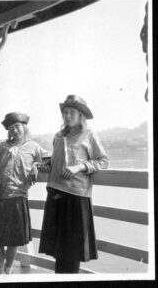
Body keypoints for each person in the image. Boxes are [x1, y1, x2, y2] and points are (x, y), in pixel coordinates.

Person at [37, 95, 109, 273]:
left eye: (71, 112)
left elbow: (103, 161)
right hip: (56, 195)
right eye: (65, 112)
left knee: (72, 252)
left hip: (76, 198)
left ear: (80, 115)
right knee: (59, 250)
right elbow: (56, 162)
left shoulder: (89, 134)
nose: (67, 116)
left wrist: (80, 167)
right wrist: (45, 166)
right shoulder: (59, 136)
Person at [0, 112, 47, 274]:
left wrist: (36, 165)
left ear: (24, 128)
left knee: (14, 240)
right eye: (10, 128)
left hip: (18, 198)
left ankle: (8, 269)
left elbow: (48, 160)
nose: (13, 131)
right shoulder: (2, 147)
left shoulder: (33, 147)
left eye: (16, 127)